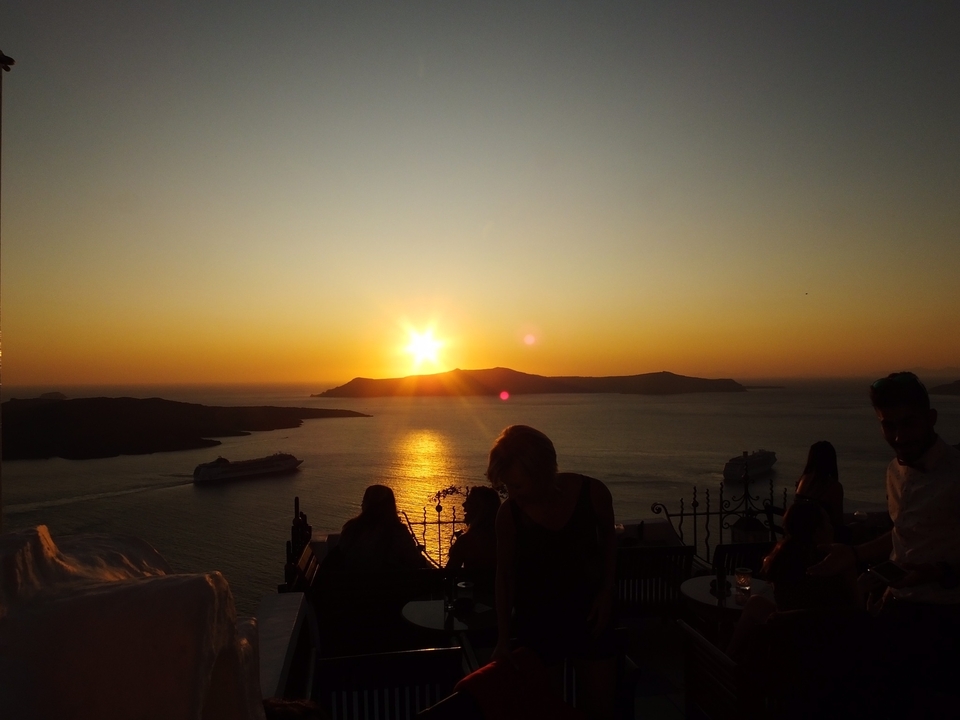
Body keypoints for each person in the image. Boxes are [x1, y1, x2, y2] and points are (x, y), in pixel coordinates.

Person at [808, 372, 960, 710]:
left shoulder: (956, 474)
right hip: (896, 606)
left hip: (944, 619)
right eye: (888, 426)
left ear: (931, 418)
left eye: (908, 423)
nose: (898, 436)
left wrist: (935, 573)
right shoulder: (894, 470)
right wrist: (853, 554)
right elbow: (901, 533)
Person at [488, 425, 617, 719]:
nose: (512, 495)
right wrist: (503, 639)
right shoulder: (509, 515)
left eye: (517, 486)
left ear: (542, 472)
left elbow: (609, 540)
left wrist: (607, 591)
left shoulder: (594, 493)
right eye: (507, 487)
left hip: (592, 615)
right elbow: (504, 576)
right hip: (538, 622)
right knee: (545, 710)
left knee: (600, 708)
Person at [337, 484, 428, 571]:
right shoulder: (399, 532)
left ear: (366, 504)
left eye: (363, 501)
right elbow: (414, 561)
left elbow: (341, 554)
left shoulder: (351, 528)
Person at [445, 485, 500, 575]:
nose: (463, 504)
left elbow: (448, 574)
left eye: (469, 502)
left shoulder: (466, 541)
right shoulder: (505, 539)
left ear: (479, 509)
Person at [795, 440, 844, 532]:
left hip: (801, 532)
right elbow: (838, 521)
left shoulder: (802, 479)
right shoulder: (834, 486)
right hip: (821, 534)